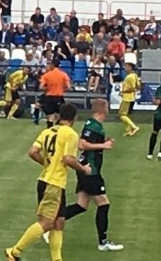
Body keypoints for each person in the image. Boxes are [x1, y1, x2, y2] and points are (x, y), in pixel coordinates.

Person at [5, 103, 89, 261]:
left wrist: (45, 163)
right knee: (47, 223)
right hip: (54, 183)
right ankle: (14, 251)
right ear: (74, 118)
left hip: (45, 180)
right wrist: (83, 169)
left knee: (59, 222)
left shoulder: (48, 131)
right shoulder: (70, 134)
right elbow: (68, 159)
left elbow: (32, 151)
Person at [46, 99, 123, 251]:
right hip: (90, 170)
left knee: (81, 205)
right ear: (103, 110)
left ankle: (49, 226)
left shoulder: (96, 125)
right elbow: (82, 144)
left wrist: (103, 143)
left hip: (86, 169)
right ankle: (103, 242)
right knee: (104, 204)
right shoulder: (92, 125)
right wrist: (103, 146)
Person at [37, 59, 71, 128]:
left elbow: (41, 87)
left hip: (49, 97)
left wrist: (48, 88)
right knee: (60, 115)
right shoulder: (63, 74)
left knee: (50, 115)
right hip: (59, 97)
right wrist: (62, 89)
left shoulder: (47, 75)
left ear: (52, 65)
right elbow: (69, 87)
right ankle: (57, 128)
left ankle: (49, 129)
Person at [119, 62, 141, 137]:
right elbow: (138, 86)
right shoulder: (134, 75)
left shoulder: (130, 77)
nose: (125, 68)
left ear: (130, 67)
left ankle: (134, 127)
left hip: (127, 98)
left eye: (126, 66)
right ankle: (128, 130)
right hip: (130, 97)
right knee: (124, 114)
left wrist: (123, 91)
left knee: (122, 115)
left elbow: (132, 88)